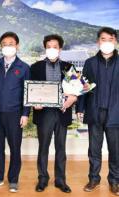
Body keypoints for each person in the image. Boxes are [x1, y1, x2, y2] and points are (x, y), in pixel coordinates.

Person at [30, 34, 77, 193]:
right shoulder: (35, 67)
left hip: (62, 112)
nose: (52, 50)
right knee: (43, 147)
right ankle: (42, 179)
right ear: (45, 48)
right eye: (49, 47)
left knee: (61, 148)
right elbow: (30, 90)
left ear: (60, 49)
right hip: (43, 113)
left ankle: (60, 180)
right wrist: (34, 103)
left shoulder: (69, 67)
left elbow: (78, 89)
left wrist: (74, 97)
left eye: (55, 47)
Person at [76, 27, 119, 196]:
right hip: (95, 112)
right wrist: (80, 108)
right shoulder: (90, 63)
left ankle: (115, 181)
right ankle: (94, 178)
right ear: (98, 41)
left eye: (110, 39)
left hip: (116, 113)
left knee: (116, 149)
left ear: (115, 41)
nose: (106, 42)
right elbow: (83, 88)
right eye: (103, 39)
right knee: (94, 149)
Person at [0, 32, 30, 193]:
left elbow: (27, 92)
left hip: (15, 114)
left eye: (11, 43)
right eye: (4, 44)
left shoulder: (24, 67)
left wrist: (25, 113)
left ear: (17, 46)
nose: (7, 46)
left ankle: (13, 179)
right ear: (1, 46)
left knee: (15, 148)